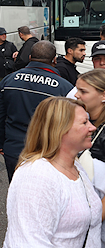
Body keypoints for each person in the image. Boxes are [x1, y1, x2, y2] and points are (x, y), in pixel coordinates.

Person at [3, 97, 102, 248]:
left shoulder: (75, 165)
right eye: (84, 122)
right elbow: (27, 243)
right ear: (60, 129)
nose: (93, 127)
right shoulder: (37, 177)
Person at [0, 41, 74, 181]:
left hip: (14, 150)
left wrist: (1, 144)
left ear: (30, 58)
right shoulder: (65, 88)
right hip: (48, 153)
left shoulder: (8, 81)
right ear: (54, 60)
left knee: (17, 190)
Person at [75, 69, 105, 247]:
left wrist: (88, 224)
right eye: (77, 89)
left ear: (103, 96)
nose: (76, 95)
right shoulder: (91, 122)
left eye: (83, 91)